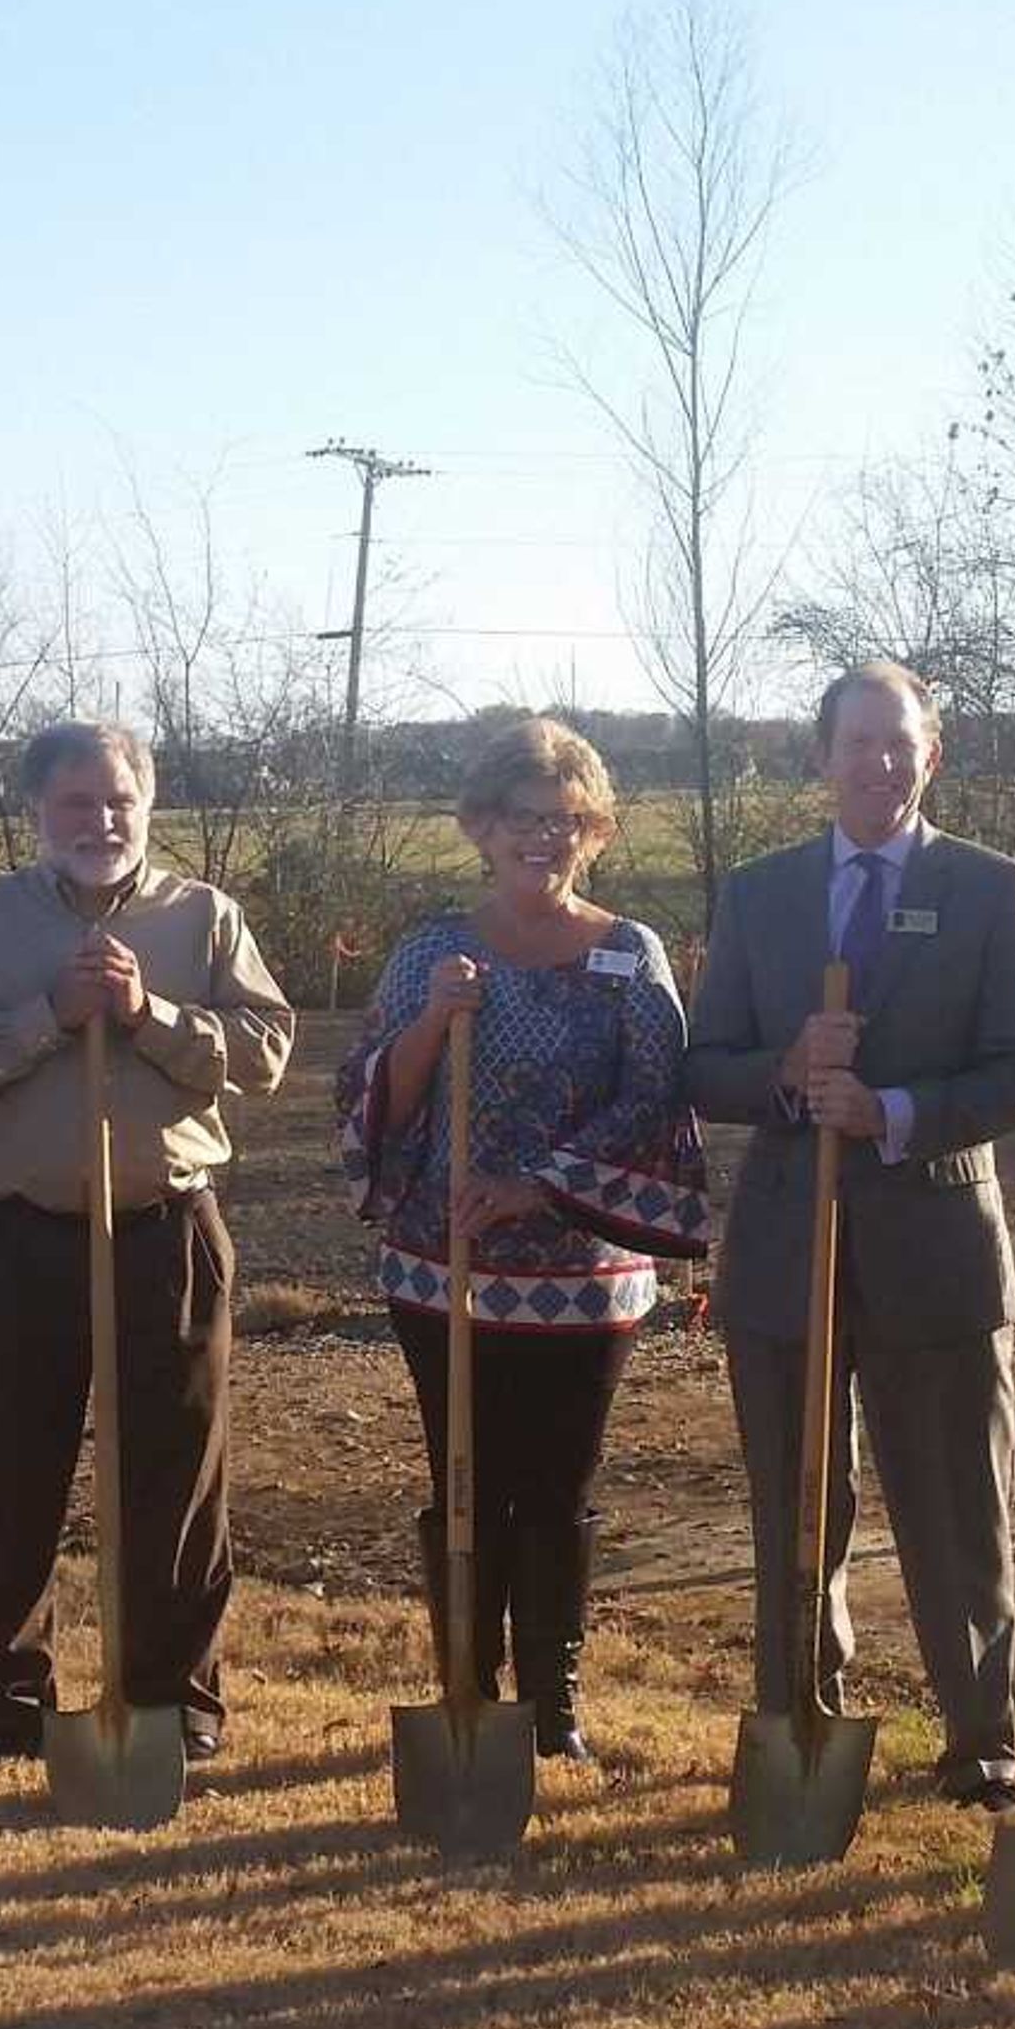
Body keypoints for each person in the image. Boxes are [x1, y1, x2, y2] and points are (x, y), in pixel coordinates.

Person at [683, 660, 1015, 1813]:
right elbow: (705, 1067)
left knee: (955, 1505)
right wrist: (789, 1072)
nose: (879, 765)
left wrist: (894, 1111)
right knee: (798, 1501)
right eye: (858, 744)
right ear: (822, 758)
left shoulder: (994, 889)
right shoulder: (760, 895)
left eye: (902, 744)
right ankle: (800, 1715)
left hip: (936, 1249)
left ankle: (980, 1742)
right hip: (790, 1250)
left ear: (931, 755)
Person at [0, 722, 295, 1764]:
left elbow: (262, 1055)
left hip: (167, 1233)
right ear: (38, 811)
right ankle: (8, 1699)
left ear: (148, 802)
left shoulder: (204, 918)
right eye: (76, 803)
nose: (100, 820)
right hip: (22, 1237)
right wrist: (46, 1015)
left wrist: (148, 1012)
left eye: (118, 800)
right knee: (7, 1475)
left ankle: (172, 1698)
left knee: (176, 1480)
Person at [334, 717, 709, 1763]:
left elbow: (655, 1098)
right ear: (482, 827)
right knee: (462, 1475)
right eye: (521, 819)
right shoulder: (429, 952)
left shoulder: (630, 956)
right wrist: (429, 1024)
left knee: (559, 1481)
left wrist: (532, 1184)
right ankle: (468, 1691)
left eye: (565, 820)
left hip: (582, 1281)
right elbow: (375, 1099)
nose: (543, 838)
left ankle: (552, 1707)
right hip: (442, 1271)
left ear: (592, 831)